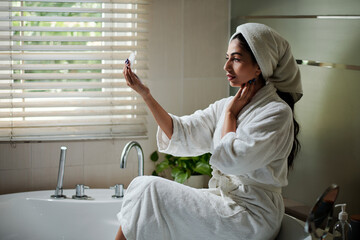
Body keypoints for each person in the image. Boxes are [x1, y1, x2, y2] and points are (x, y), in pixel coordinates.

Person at [115, 23, 303, 240]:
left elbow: (233, 161)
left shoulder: (276, 113)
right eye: (227, 58)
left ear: (259, 65)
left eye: (237, 59)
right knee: (143, 191)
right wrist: (145, 94)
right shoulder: (226, 106)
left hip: (253, 215)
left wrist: (231, 116)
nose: (227, 67)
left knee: (148, 190)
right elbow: (181, 131)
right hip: (225, 200)